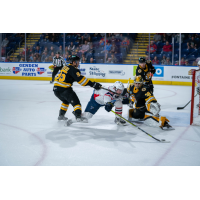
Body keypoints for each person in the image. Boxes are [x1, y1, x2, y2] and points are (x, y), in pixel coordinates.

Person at [53, 55, 102, 122]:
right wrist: (93, 84)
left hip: (56, 90)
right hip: (64, 89)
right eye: (77, 62)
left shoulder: (65, 67)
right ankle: (78, 116)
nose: (78, 63)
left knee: (65, 101)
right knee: (76, 103)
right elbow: (82, 81)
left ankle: (61, 116)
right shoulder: (73, 69)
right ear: (73, 62)